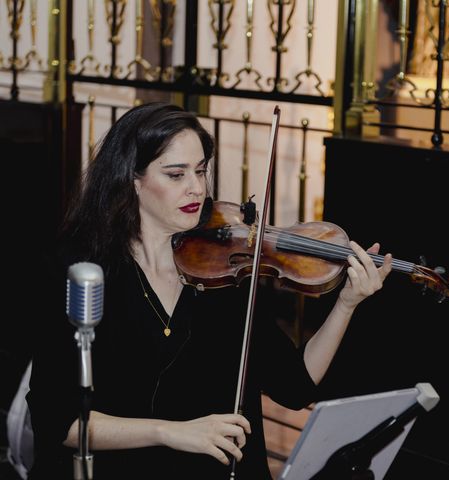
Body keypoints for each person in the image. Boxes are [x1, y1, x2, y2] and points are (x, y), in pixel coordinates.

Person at [26, 102, 392, 479]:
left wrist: (347, 304)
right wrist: (171, 432)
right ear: (131, 178)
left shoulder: (224, 270)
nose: (197, 188)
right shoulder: (78, 271)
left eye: (200, 170)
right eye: (176, 174)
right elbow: (58, 422)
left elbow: (294, 386)